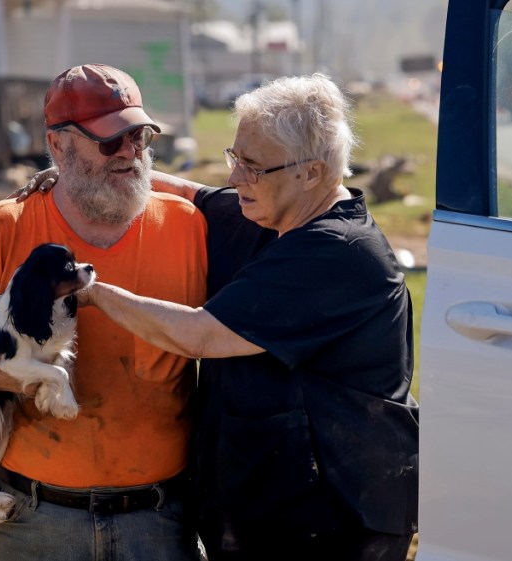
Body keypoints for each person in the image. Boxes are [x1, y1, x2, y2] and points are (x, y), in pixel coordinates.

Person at [28, 73, 418, 560]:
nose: (236, 178)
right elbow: (195, 195)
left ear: (313, 172)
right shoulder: (272, 211)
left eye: (252, 167)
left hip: (331, 524)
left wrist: (90, 290)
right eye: (237, 158)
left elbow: (200, 335)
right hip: (270, 512)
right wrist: (83, 174)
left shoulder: (339, 254)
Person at [0, 63, 207, 561]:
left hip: (160, 524)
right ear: (59, 147)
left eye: (140, 136)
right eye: (111, 141)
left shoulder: (191, 227)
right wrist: (17, 375)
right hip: (31, 522)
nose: (132, 152)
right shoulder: (5, 227)